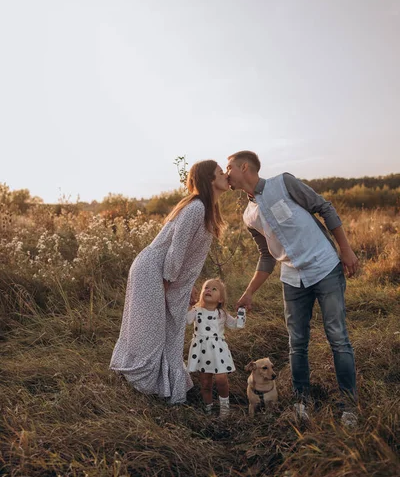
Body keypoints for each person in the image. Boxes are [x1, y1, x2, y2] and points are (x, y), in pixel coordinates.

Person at [226, 150, 359, 426]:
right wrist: (249, 292)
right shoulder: (248, 216)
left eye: (229, 167)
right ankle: (302, 403)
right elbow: (266, 256)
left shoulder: (283, 183)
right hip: (292, 280)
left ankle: (349, 407)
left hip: (325, 268)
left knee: (338, 337)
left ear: (245, 167)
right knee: (296, 343)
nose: (225, 174)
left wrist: (345, 250)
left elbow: (325, 207)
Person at [110, 160, 229, 405]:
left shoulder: (206, 208)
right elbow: (176, 249)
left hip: (164, 273)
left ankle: (165, 388)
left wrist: (187, 283)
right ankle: (142, 386)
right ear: (209, 179)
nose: (225, 175)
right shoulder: (196, 207)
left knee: (171, 330)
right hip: (154, 271)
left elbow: (187, 253)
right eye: (220, 172)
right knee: (151, 333)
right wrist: (168, 281)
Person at [186, 278, 241, 418]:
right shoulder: (197, 310)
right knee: (205, 383)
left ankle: (224, 410)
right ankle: (208, 411)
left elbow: (236, 325)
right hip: (202, 350)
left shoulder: (221, 314)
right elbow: (186, 320)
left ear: (221, 299)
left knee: (221, 379)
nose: (208, 290)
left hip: (218, 350)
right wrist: (188, 304)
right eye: (206, 288)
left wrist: (242, 312)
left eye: (213, 289)